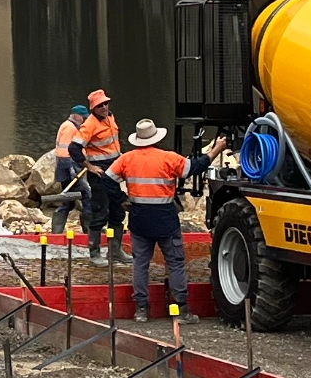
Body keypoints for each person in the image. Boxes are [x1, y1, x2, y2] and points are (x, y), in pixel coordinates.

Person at [105, 118, 228, 323]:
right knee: (175, 263)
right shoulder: (168, 158)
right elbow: (196, 167)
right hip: (165, 219)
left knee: (140, 264)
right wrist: (217, 149)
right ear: (156, 138)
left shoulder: (126, 159)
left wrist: (122, 200)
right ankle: (181, 310)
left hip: (138, 218)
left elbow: (107, 180)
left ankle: (141, 310)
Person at [67, 89, 133, 266]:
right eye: (99, 105)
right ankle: (94, 253)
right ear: (93, 108)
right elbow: (73, 148)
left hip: (115, 171)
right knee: (100, 212)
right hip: (100, 173)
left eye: (105, 103)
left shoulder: (110, 117)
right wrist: (89, 166)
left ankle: (115, 251)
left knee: (118, 210)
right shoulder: (90, 124)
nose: (104, 107)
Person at [51, 105, 93, 234]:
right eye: (83, 117)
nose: (84, 120)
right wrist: (72, 169)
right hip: (68, 167)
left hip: (65, 167)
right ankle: (89, 231)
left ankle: (56, 232)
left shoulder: (68, 126)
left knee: (68, 201)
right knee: (87, 196)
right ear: (76, 116)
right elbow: (65, 151)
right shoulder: (69, 127)